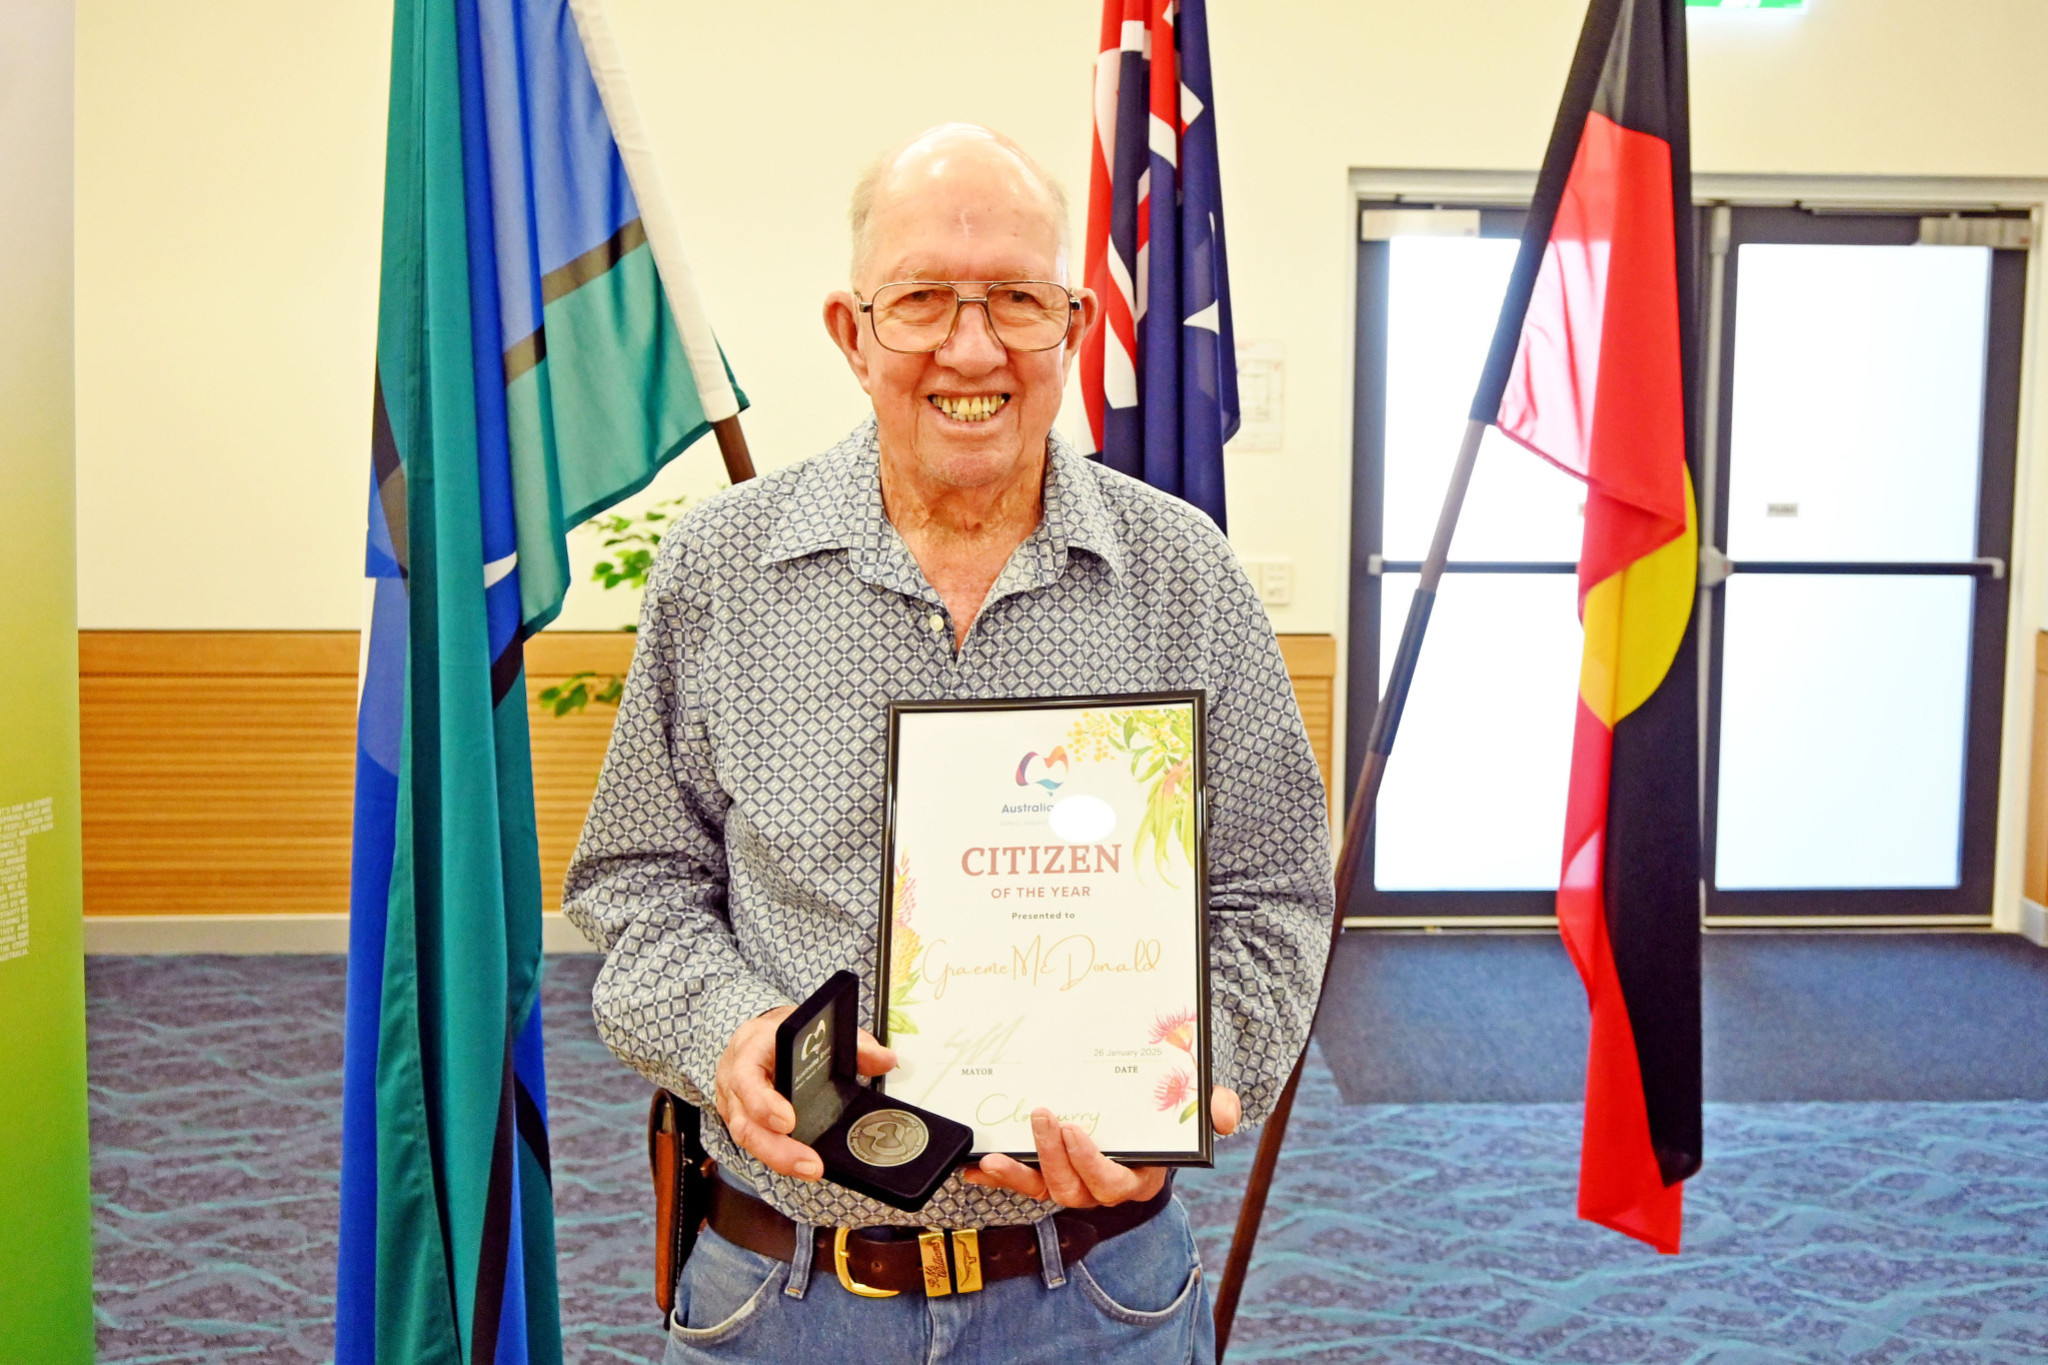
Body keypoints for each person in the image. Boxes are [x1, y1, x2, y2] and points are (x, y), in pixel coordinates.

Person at [563, 122, 1333, 1365]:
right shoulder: (720, 572)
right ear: (850, 331)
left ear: (1074, 328)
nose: (970, 349)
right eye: (920, 299)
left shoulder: (1183, 574)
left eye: (1017, 301)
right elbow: (635, 885)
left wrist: (1184, 1084)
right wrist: (728, 1037)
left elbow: (1274, 892)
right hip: (785, 1298)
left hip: (1097, 1298)